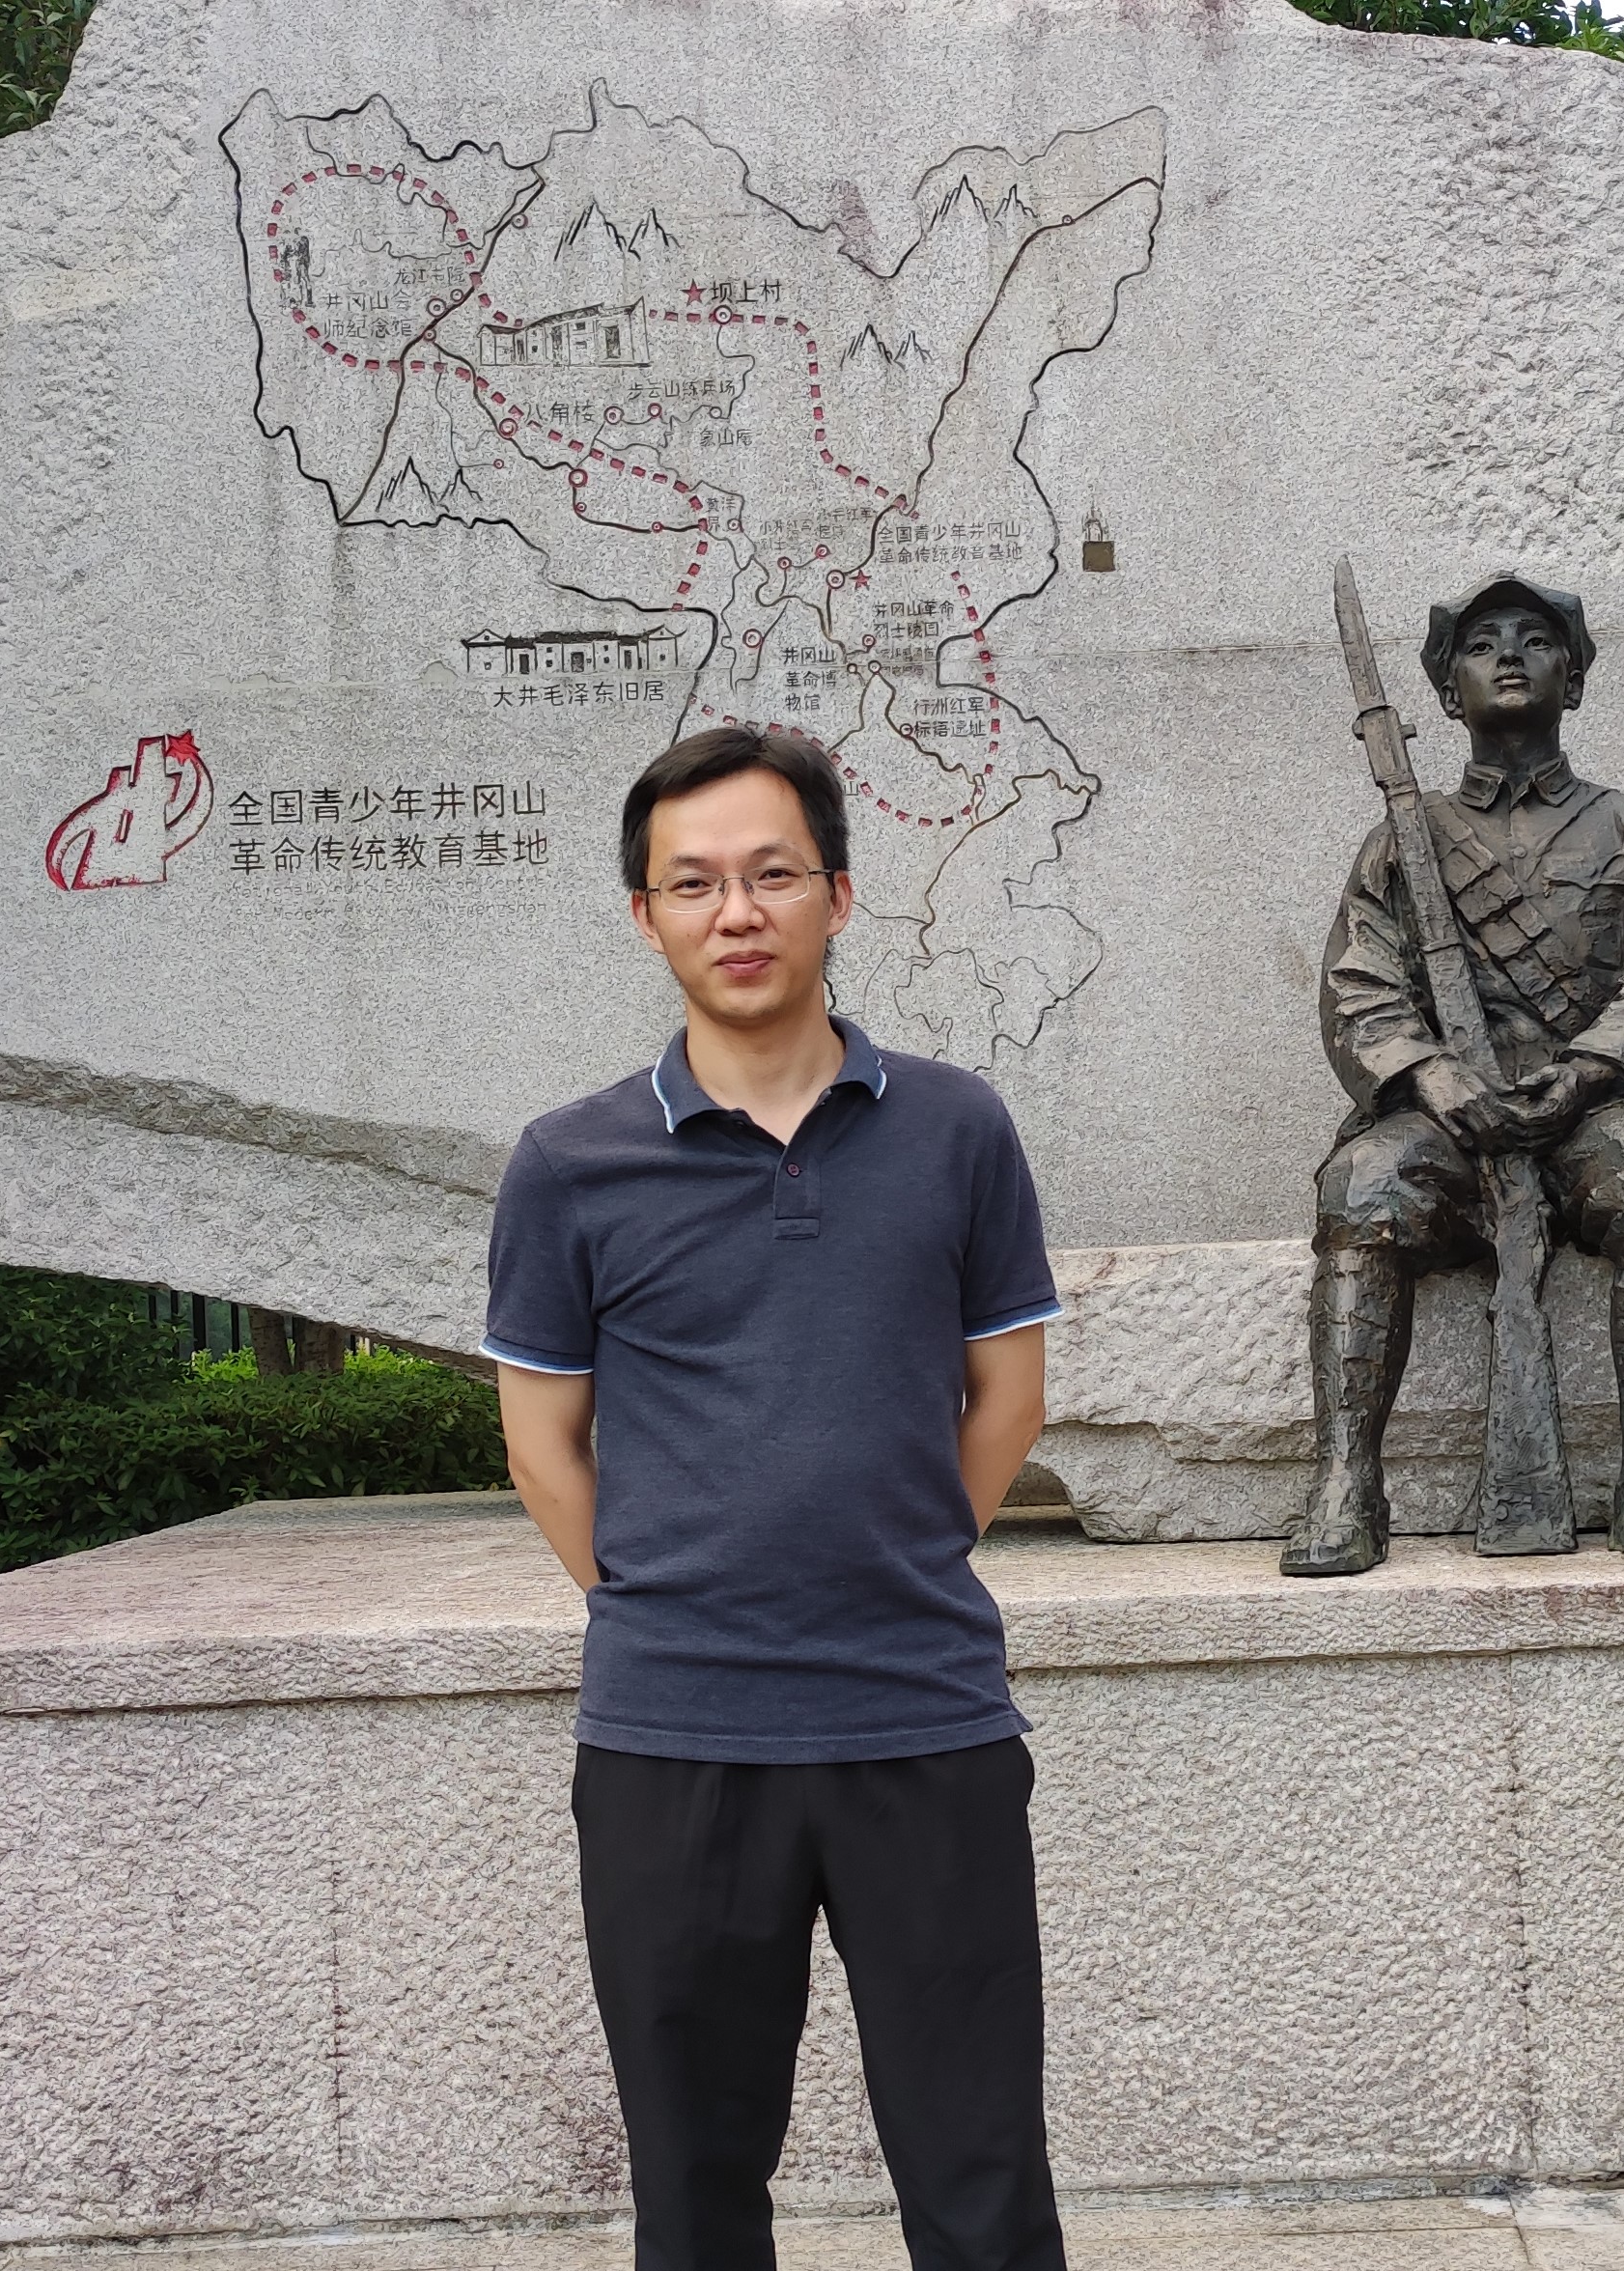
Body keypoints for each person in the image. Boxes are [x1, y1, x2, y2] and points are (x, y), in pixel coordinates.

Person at [483, 723, 1066, 2271]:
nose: (734, 912)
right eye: (692, 884)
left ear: (837, 895)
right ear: (645, 916)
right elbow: (543, 1445)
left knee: (982, 2181)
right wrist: (668, 1598)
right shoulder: (569, 1165)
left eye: (771, 875)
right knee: (694, 2192)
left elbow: (1007, 1401)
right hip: (672, 1742)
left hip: (924, 1722)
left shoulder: (956, 1130)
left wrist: (888, 1556)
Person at [1292, 573, 1624, 1577]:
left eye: (1536, 640)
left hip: (1592, 1113)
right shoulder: (1401, 840)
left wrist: (1587, 1074)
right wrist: (1430, 1077)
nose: (1512, 657)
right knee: (1362, 1185)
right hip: (1446, 1123)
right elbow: (1359, 985)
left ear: (1575, 679)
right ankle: (1346, 1482)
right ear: (1449, 695)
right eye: (1484, 646)